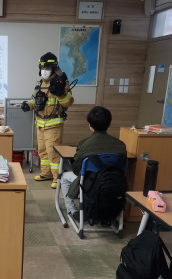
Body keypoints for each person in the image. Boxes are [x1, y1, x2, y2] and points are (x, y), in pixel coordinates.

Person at [60, 106, 127, 221]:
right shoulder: (121, 145)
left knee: (64, 177)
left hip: (90, 183)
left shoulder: (84, 144)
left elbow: (77, 170)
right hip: (114, 182)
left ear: (90, 125)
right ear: (109, 123)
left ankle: (73, 210)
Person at [21, 52, 74, 189]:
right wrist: (28, 104)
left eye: (47, 68)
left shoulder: (61, 82)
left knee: (53, 152)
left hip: (54, 124)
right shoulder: (39, 83)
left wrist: (60, 93)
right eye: (43, 68)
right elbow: (34, 99)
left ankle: (57, 178)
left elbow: (68, 102)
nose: (45, 71)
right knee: (42, 151)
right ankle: (47, 173)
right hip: (40, 123)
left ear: (54, 68)